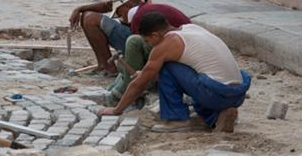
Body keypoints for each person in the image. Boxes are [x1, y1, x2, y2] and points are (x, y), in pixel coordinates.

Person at [99, 12, 251, 133]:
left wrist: (117, 109)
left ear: (155, 35)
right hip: (237, 94)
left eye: (147, 41)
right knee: (191, 71)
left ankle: (176, 119)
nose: (148, 45)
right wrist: (147, 72)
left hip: (216, 94)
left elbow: (140, 84)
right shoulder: (192, 28)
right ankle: (218, 116)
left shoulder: (167, 44)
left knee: (167, 67)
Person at [106, 0, 191, 100]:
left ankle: (125, 90)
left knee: (133, 42)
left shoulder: (138, 17)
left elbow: (140, 52)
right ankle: (121, 85)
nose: (121, 17)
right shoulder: (145, 9)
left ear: (127, 5)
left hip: (180, 49)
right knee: (124, 64)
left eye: (119, 12)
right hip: (182, 43)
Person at [69, 0, 149, 74]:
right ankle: (103, 65)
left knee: (90, 19)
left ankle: (108, 67)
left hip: (138, 41)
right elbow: (108, 6)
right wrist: (80, 9)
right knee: (86, 16)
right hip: (134, 34)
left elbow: (108, 7)